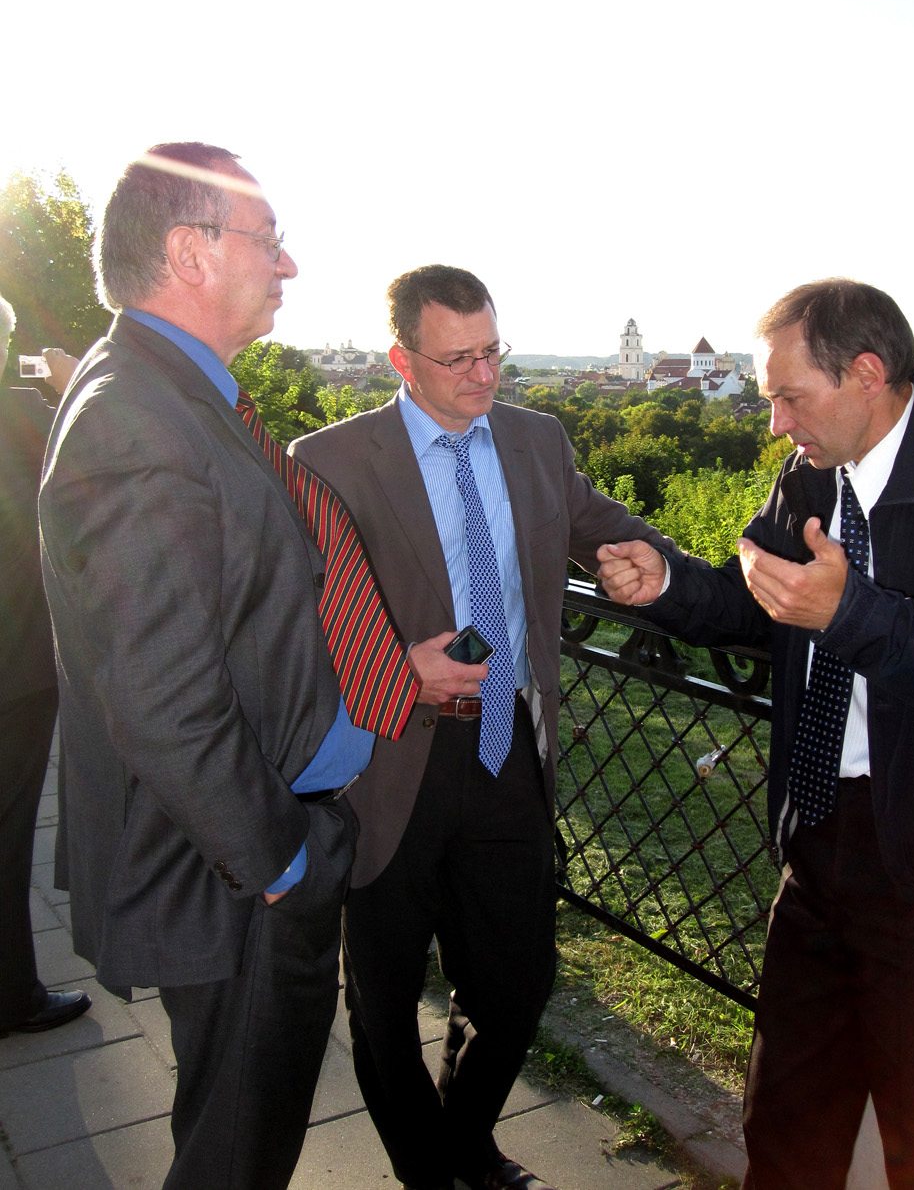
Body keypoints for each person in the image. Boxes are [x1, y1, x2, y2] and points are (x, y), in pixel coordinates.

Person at [597, 278, 914, 1190]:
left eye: (790, 397)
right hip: (818, 843)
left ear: (866, 372)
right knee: (785, 1128)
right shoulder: (809, 473)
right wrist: (667, 584)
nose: (775, 422)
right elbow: (759, 601)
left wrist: (851, 614)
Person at [38, 143, 405, 1190]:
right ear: (191, 252)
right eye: (268, 239)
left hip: (241, 852)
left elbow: (234, 606)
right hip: (234, 873)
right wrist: (282, 860)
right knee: (237, 1151)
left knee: (237, 1132)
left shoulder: (169, 393)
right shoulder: (135, 419)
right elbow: (160, 692)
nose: (287, 264)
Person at [291, 264, 671, 1190]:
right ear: (401, 360)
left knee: (516, 979)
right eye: (457, 357)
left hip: (505, 742)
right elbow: (289, 625)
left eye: (492, 351)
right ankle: (430, 1171)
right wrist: (392, 665)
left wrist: (659, 563)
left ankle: (463, 1141)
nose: (483, 373)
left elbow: (604, 524)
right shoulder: (328, 460)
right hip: (387, 757)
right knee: (382, 998)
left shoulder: (538, 439)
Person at [0, 296, 91, 1037]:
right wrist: (74, 384)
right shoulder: (25, 416)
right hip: (16, 672)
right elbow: (102, 471)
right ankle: (10, 995)